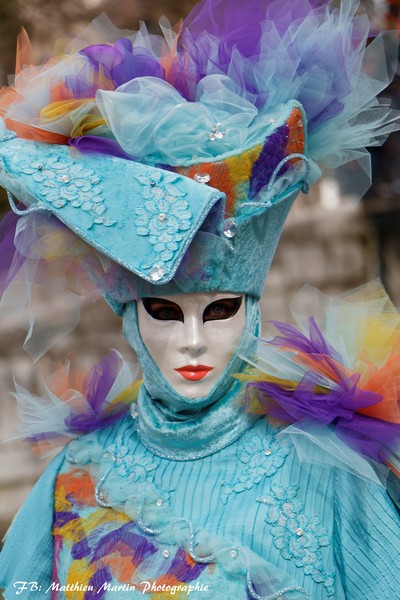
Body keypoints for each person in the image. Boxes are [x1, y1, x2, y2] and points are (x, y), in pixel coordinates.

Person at [0, 0, 400, 598]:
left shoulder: (330, 473)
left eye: (219, 310)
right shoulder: (76, 472)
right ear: (129, 318)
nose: (192, 340)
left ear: (253, 311)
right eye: (164, 312)